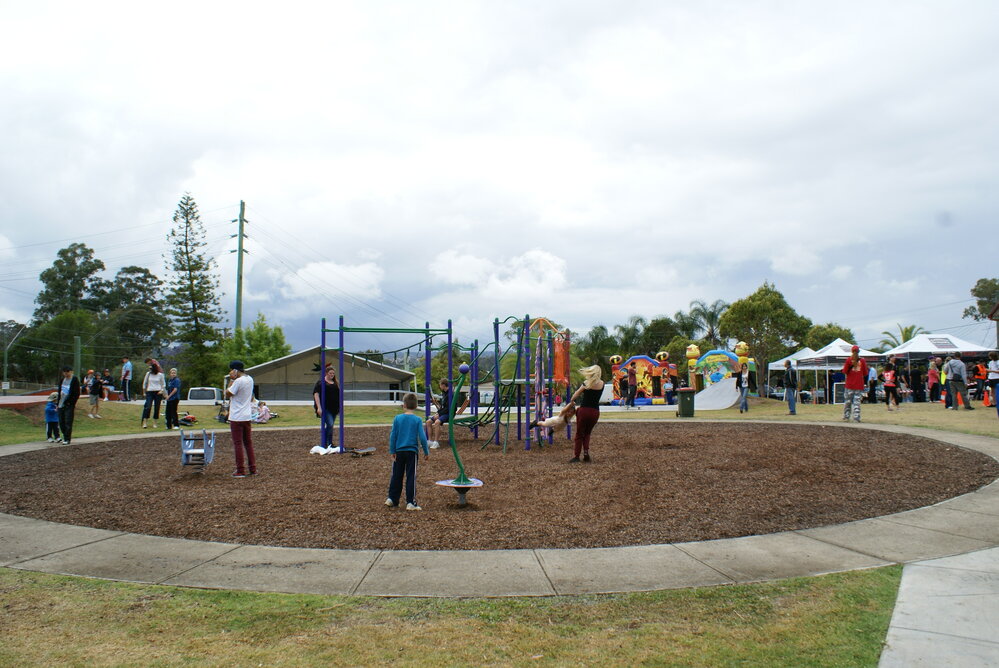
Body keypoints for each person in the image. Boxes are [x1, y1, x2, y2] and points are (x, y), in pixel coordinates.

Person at [385, 392, 430, 510]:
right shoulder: (417, 420)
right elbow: (422, 437)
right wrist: (426, 451)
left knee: (396, 475)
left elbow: (393, 436)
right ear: (415, 406)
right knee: (411, 476)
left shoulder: (397, 418)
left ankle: (392, 498)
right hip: (411, 452)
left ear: (404, 405)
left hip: (399, 451)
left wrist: (392, 450)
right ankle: (411, 502)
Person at [226, 360, 257, 477]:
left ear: (235, 370)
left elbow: (227, 393)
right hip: (247, 415)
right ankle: (252, 469)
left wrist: (231, 380)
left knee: (238, 443)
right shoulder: (250, 379)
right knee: (248, 443)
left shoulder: (238, 381)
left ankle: (240, 470)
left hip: (236, 416)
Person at [568, 365, 604, 463]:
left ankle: (576, 456)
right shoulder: (602, 384)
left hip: (584, 411)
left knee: (579, 434)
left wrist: (572, 401)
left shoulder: (586, 383)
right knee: (587, 433)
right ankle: (586, 453)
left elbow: (576, 395)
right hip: (595, 412)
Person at [426, 378, 468, 449]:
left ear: (443, 385)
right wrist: (438, 413)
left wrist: (439, 414)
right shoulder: (444, 393)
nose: (439, 387)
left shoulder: (450, 394)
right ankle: (430, 441)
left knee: (437, 422)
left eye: (440, 385)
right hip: (443, 412)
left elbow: (450, 408)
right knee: (428, 422)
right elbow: (443, 407)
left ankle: (436, 442)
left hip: (450, 413)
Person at [312, 365, 340, 448]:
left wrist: (340, 407)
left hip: (334, 408)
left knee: (330, 426)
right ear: (326, 373)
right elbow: (316, 394)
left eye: (333, 373)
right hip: (325, 408)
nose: (332, 375)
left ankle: (329, 443)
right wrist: (319, 407)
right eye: (330, 373)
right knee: (330, 424)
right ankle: (326, 442)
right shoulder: (321, 382)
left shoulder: (335, 383)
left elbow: (338, 395)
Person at [841, 345, 868, 423]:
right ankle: (856, 417)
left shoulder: (849, 360)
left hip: (849, 384)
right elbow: (865, 373)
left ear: (851, 351)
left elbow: (845, 371)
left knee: (848, 401)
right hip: (859, 384)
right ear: (859, 351)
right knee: (857, 402)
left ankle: (846, 417)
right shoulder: (862, 361)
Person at [56, 366, 81, 445]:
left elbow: (77, 393)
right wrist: (57, 403)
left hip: (69, 405)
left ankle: (67, 438)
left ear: (71, 372)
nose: (66, 374)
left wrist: (71, 402)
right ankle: (64, 435)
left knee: (68, 421)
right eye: (64, 372)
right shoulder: (62, 380)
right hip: (61, 404)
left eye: (67, 372)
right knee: (61, 422)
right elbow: (59, 392)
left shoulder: (74, 380)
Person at [141, 361, 166, 428]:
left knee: (157, 407)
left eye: (151, 369)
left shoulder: (160, 375)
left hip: (158, 392)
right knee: (148, 406)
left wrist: (162, 390)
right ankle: (145, 421)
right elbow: (144, 383)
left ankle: (155, 422)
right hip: (150, 392)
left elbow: (163, 384)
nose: (150, 370)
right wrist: (144, 392)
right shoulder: (148, 374)